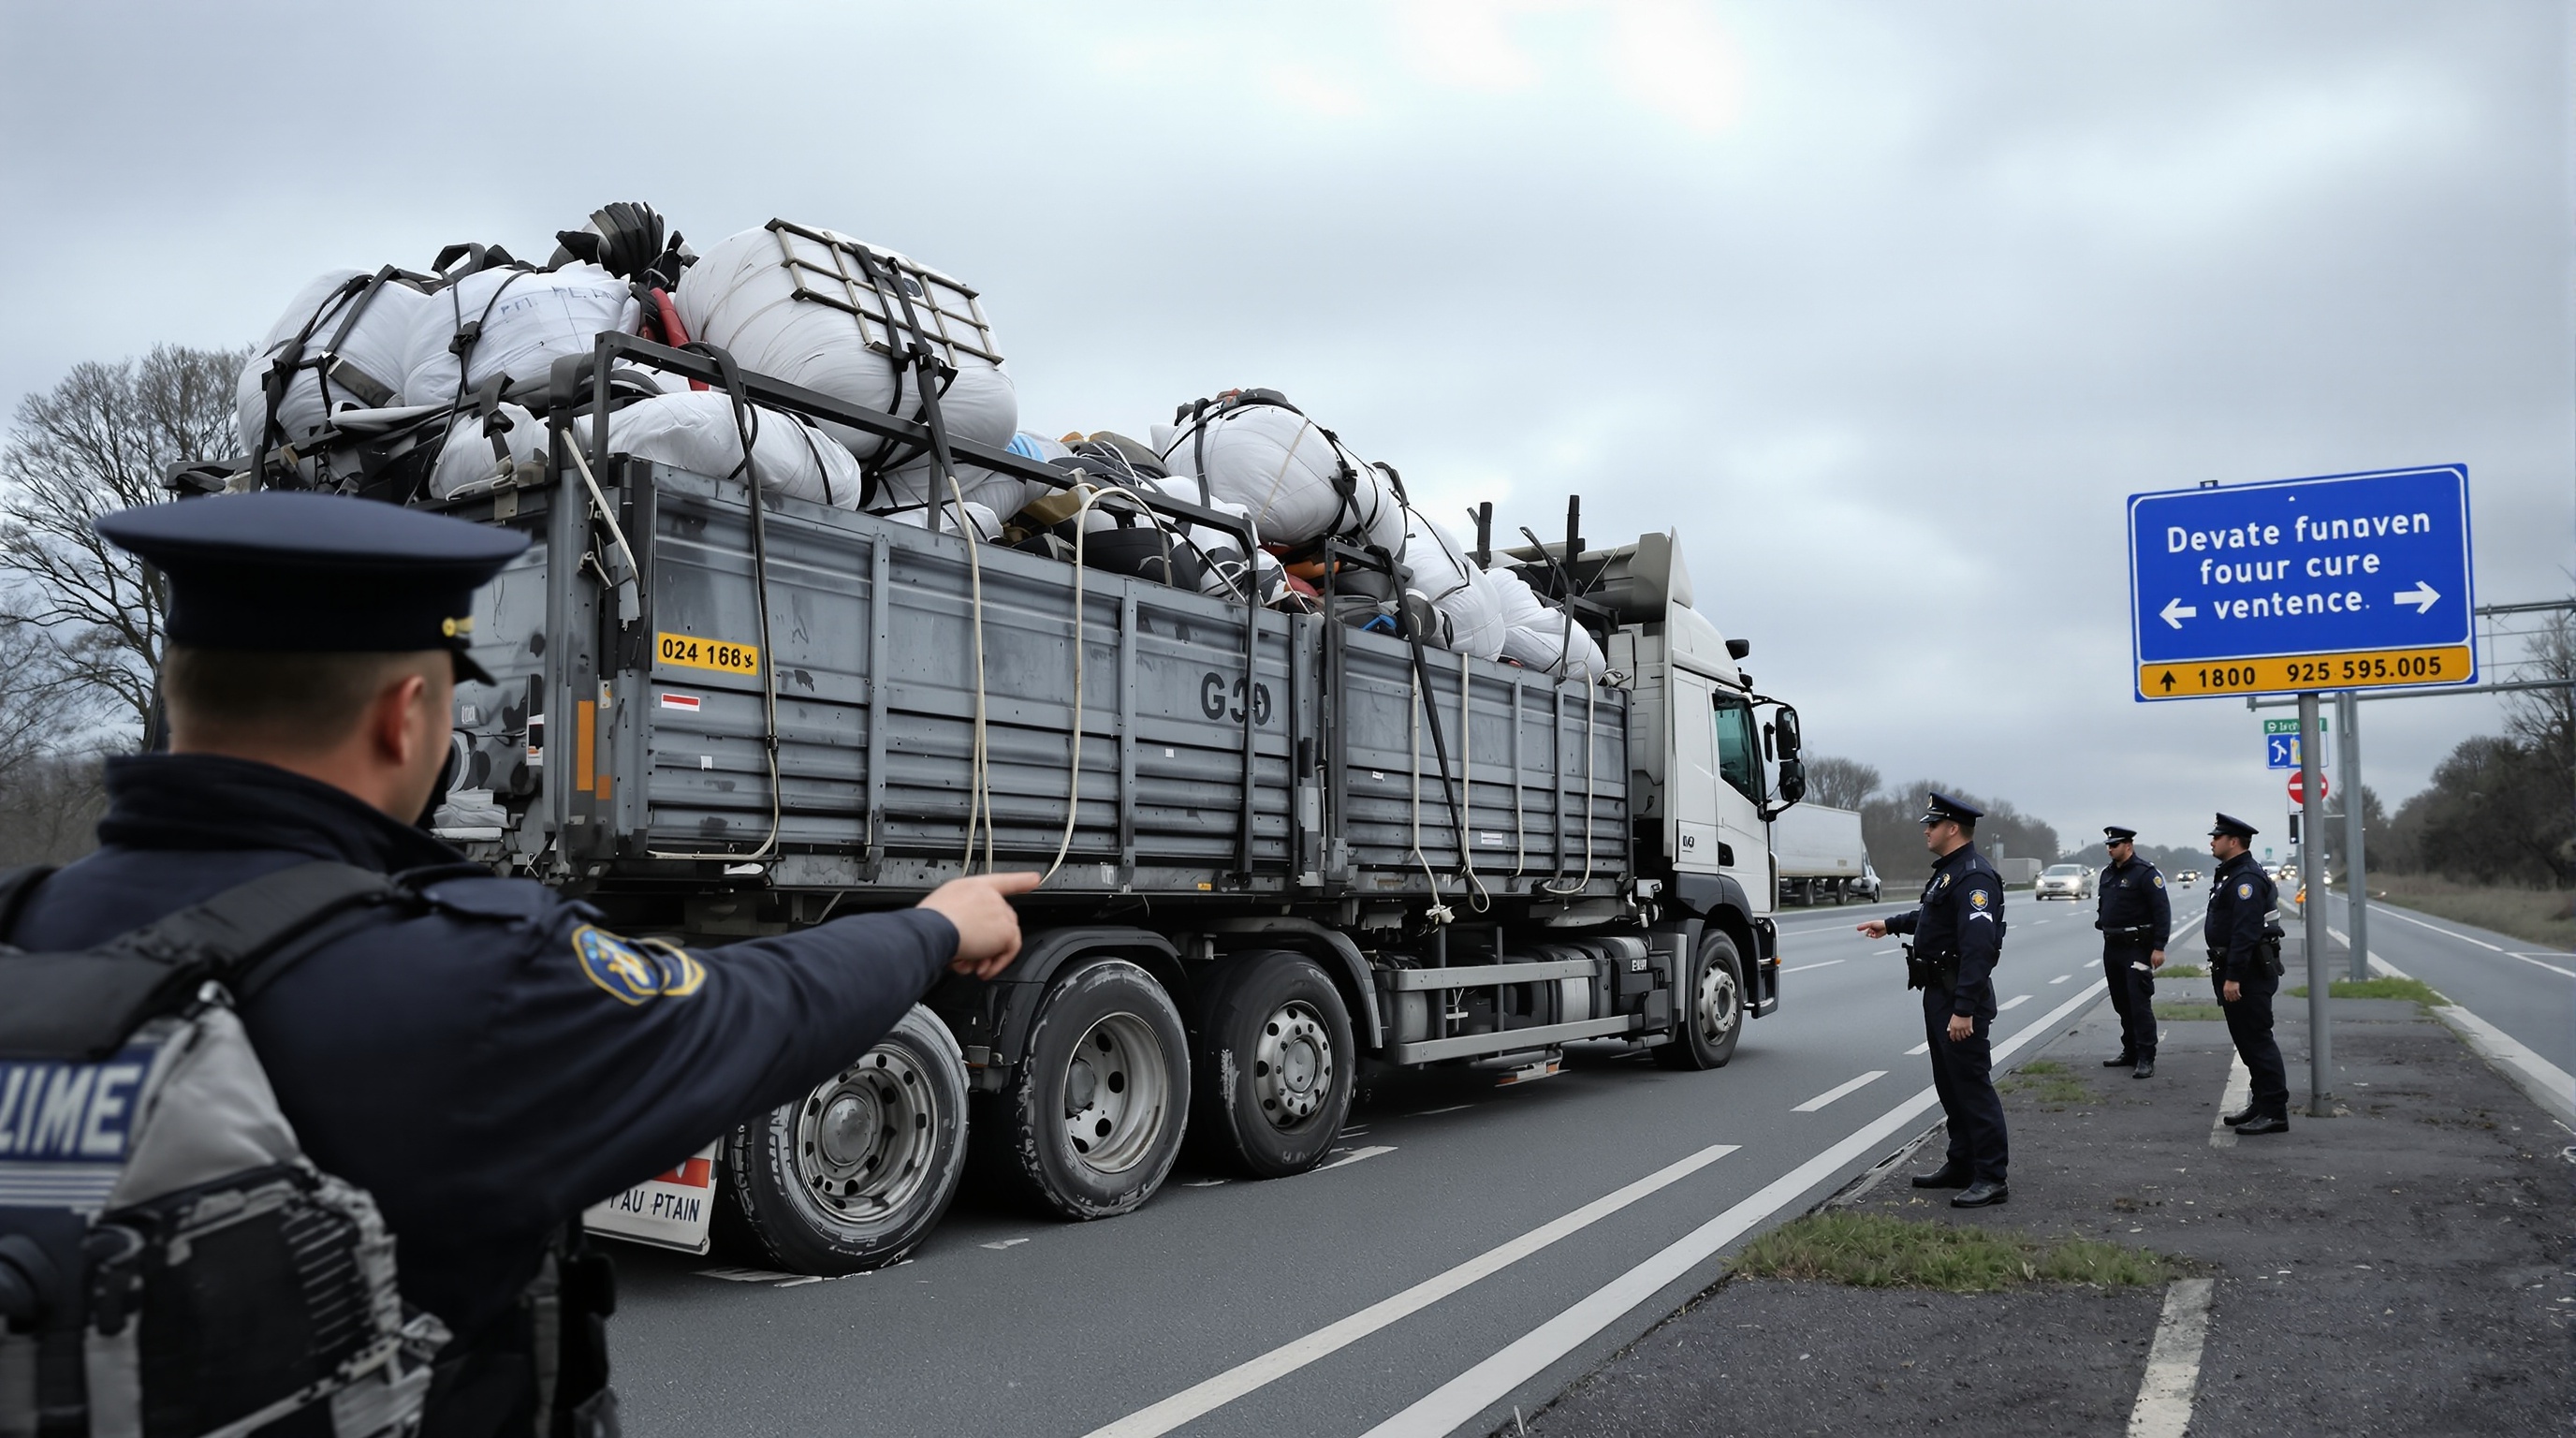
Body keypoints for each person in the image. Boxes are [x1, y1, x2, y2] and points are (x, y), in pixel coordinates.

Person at [9, 491, 1041, 1436]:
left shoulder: (28, 933)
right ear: (404, 716)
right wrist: (935, 926)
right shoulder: (471, 977)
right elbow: (753, 1014)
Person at [1857, 792, 2009, 1208]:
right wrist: (1889, 924)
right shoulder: (1950, 874)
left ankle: (1993, 1177)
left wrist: (1964, 1009)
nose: (1926, 830)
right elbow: (1931, 919)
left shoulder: (1975, 877)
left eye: (1933, 824)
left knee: (1972, 1086)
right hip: (1939, 993)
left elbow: (1979, 949)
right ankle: (1961, 1162)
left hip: (1960, 997)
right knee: (1949, 1084)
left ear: (1953, 828)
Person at [2205, 812, 2291, 1135]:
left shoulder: (2246, 880)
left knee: (2257, 1042)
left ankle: (2275, 1111)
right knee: (2247, 1043)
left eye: (2217, 836)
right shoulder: (2231, 875)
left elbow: (2245, 932)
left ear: (2234, 841)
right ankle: (2261, 1104)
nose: (2212, 841)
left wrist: (2234, 976)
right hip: (2237, 969)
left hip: (2248, 973)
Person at [2094, 825, 2172, 1078]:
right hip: (2112, 946)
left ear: (2128, 846)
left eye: (2114, 845)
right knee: (2121, 1003)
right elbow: (2104, 904)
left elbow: (2162, 911)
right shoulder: (2107, 874)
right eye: (2108, 845)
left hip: (2136, 947)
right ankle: (2130, 1051)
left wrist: (2159, 946)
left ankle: (2146, 1056)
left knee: (2139, 1003)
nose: (2110, 849)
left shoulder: (2145, 874)